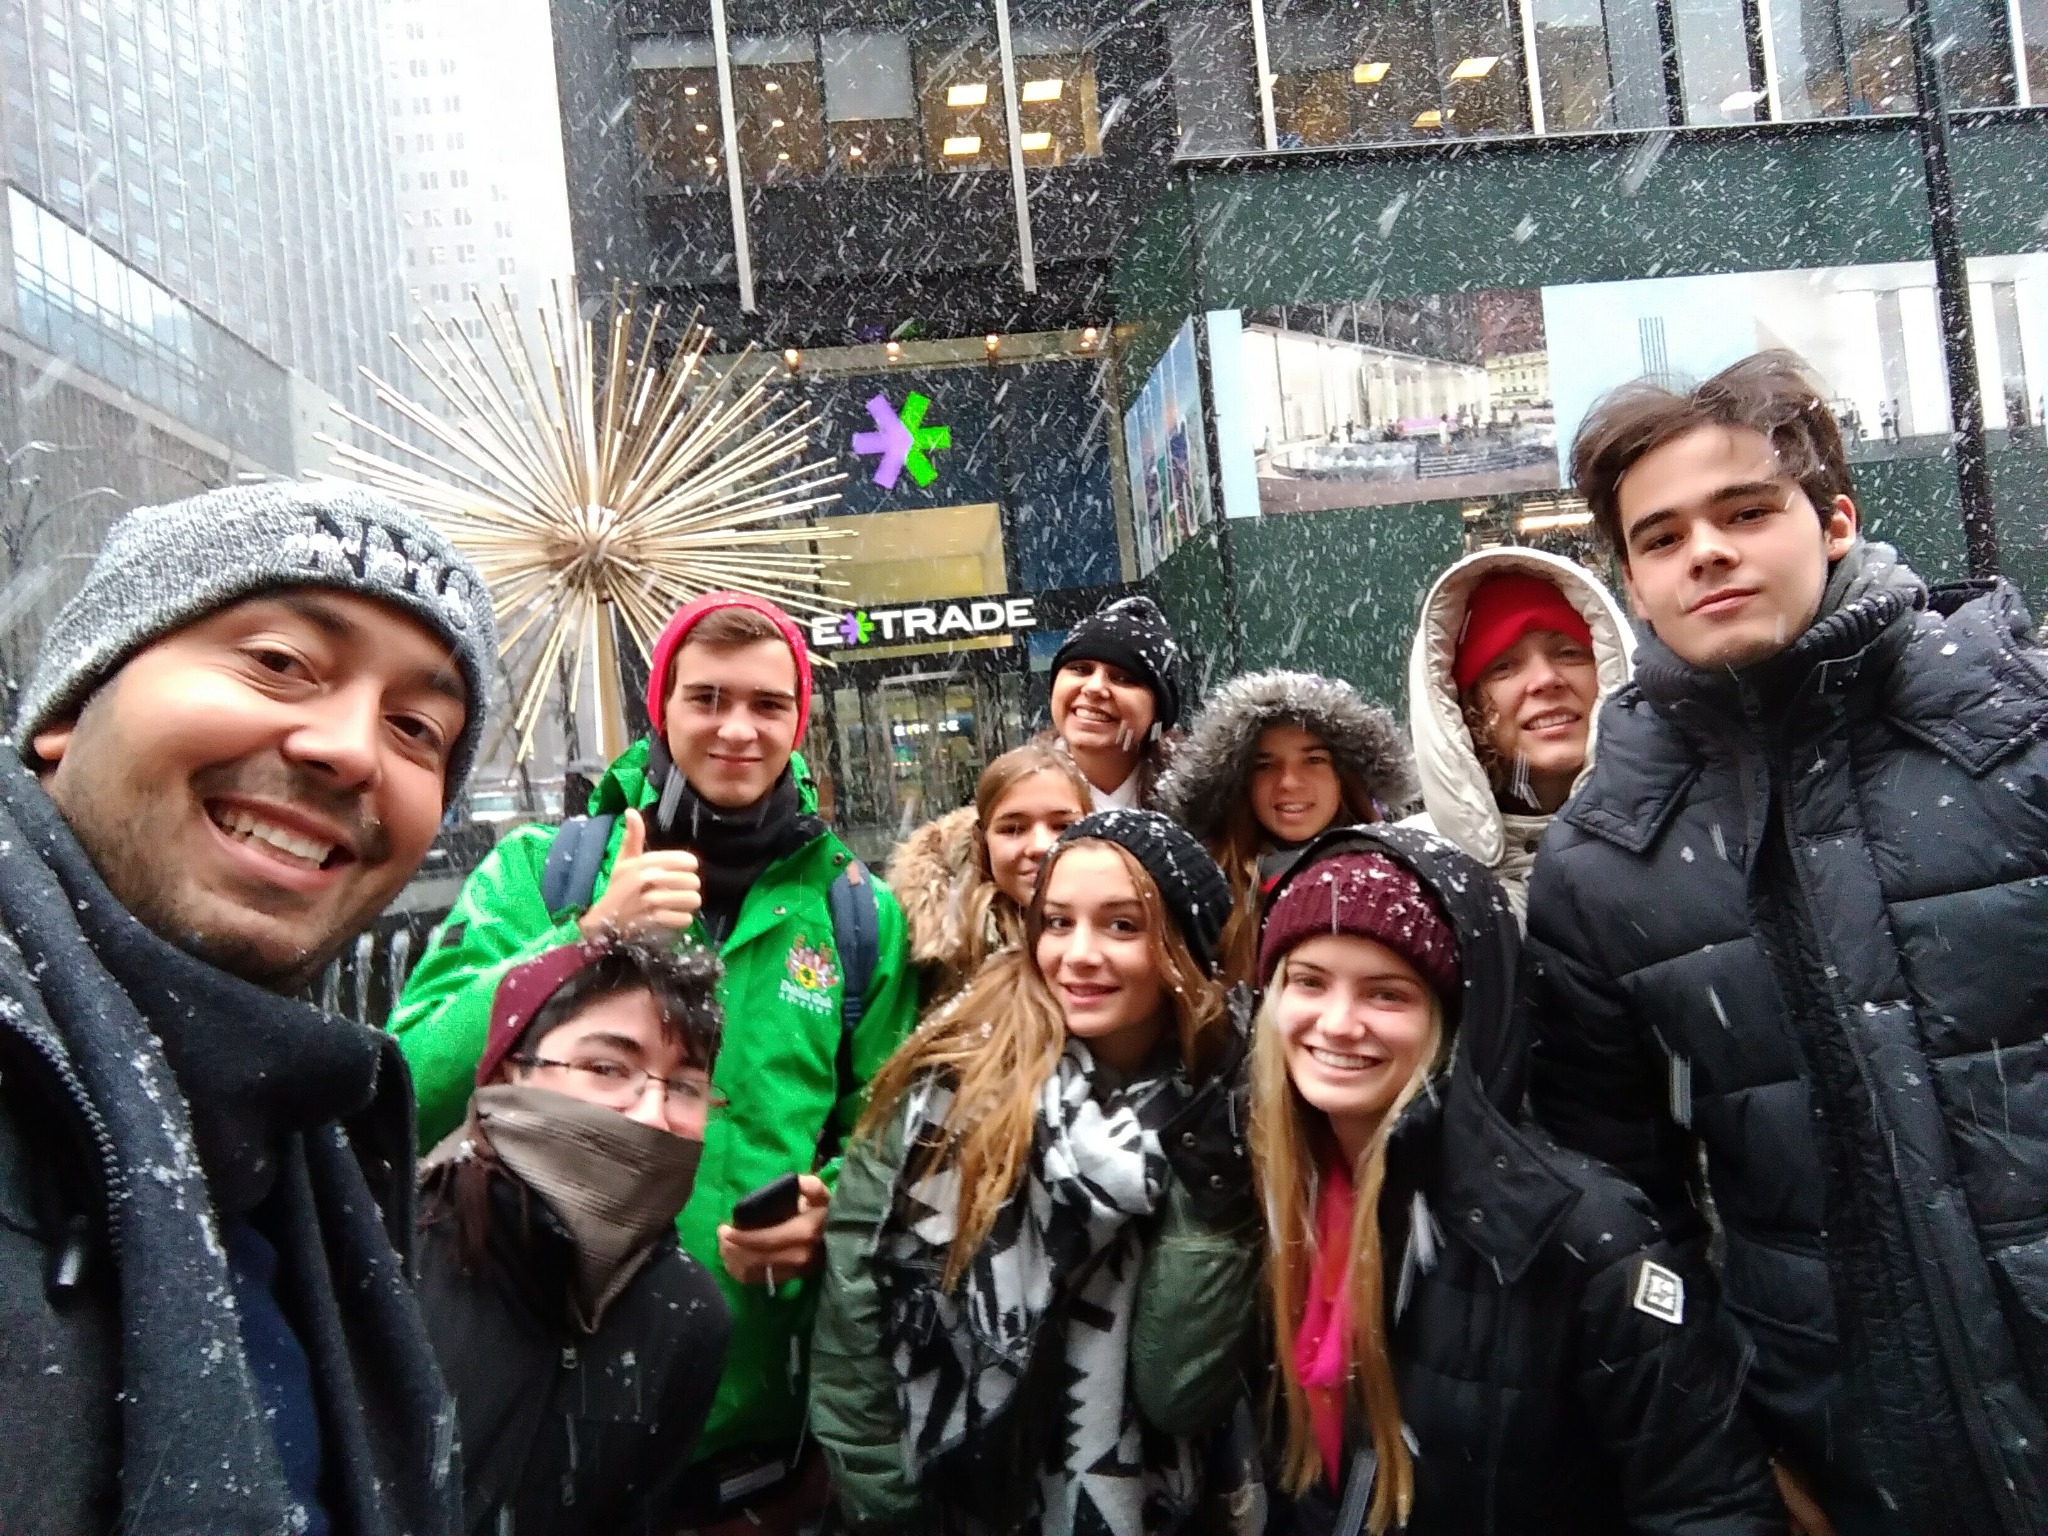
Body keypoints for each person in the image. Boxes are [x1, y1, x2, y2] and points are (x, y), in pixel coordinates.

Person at [1524, 351, 2048, 1534]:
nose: (1705, 551)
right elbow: (1620, 1211)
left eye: (1745, 511)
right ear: (1630, 584)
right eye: (1661, 537)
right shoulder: (1599, 863)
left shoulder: (2020, 738)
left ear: (1834, 522)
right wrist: (1729, 1441)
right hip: (1847, 1449)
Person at [0, 482, 495, 1535]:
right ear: (69, 710)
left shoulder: (293, 1128)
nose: (351, 749)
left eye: (416, 727)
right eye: (277, 661)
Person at [391, 590, 918, 1521]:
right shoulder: (540, 872)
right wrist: (583, 939)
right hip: (542, 1425)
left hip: (763, 1450)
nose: (738, 729)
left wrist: (833, 1208)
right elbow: (407, 1087)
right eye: (707, 698)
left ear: (799, 722)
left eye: (768, 704)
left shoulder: (856, 914)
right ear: (661, 711)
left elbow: (892, 1122)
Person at [1250, 825, 1784, 1535]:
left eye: (1387, 994)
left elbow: (1707, 1504)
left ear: (1457, 1020)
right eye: (1309, 982)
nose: (1338, 1023)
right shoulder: (1272, 1194)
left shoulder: (1586, 1240)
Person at [810, 809, 1261, 1534]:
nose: (1078, 955)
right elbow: (856, 1305)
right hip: (955, 1497)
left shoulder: (1228, 1103)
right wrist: (886, 1505)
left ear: (1183, 944)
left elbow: (1178, 1390)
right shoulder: (950, 1081)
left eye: (1121, 926)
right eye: (1056, 923)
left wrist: (1212, 1181)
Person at [417, 937, 732, 1536]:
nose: (652, 1114)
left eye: (685, 1086)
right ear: (512, 1071)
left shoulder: (688, 1313)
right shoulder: (387, 1255)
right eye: (606, 1069)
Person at [1403, 546, 1632, 921]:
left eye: (1569, 652)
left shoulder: (1697, 837)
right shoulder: (1411, 879)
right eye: (1503, 666)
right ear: (1461, 709)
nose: (1545, 680)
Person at [1158, 668, 1415, 983]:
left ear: (1346, 777)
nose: (1289, 782)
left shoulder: (1400, 885)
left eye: (1314, 760)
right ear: (1240, 783)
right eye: (1264, 765)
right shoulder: (1203, 894)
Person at [887, 741, 1092, 1009]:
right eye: (1013, 829)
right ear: (982, 843)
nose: (1041, 846)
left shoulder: (1137, 933)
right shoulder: (928, 953)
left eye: (1063, 826)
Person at [1045, 593, 1185, 809]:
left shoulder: (1203, 805)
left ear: (1158, 709)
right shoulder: (1012, 795)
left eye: (1123, 678)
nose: (1094, 688)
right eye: (1080, 669)